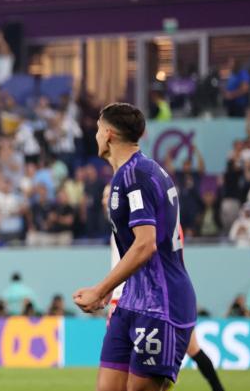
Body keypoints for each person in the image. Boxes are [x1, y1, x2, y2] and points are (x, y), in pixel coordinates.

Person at [74, 103, 196, 391]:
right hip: (132, 300)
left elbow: (145, 245)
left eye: (97, 130)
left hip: (161, 304)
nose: (95, 137)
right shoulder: (133, 173)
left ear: (108, 134)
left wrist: (100, 289)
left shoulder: (135, 176)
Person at [105, 184, 225, 391]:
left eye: (109, 195)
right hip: (173, 297)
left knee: (132, 366)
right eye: (105, 195)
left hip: (143, 300)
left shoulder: (138, 227)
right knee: (188, 352)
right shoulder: (169, 225)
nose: (107, 199)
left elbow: (139, 260)